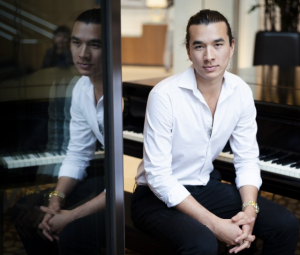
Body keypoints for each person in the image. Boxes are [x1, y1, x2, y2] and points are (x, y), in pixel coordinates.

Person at [131, 9, 299, 255]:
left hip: (205, 186)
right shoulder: (164, 95)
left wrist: (250, 210)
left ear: (231, 46)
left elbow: (247, 158)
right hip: (155, 197)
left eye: (217, 44)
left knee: (285, 225)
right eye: (199, 47)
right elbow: (158, 177)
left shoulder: (240, 91)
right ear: (188, 51)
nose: (209, 56)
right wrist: (215, 225)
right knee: (203, 242)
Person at [13, 8, 107, 255]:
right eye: (77, 43)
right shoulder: (81, 88)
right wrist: (57, 200)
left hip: (135, 189)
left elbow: (133, 180)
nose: (83, 54)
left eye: (94, 45)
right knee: (25, 209)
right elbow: (77, 154)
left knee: (71, 233)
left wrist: (70, 215)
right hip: (109, 183)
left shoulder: (123, 95)